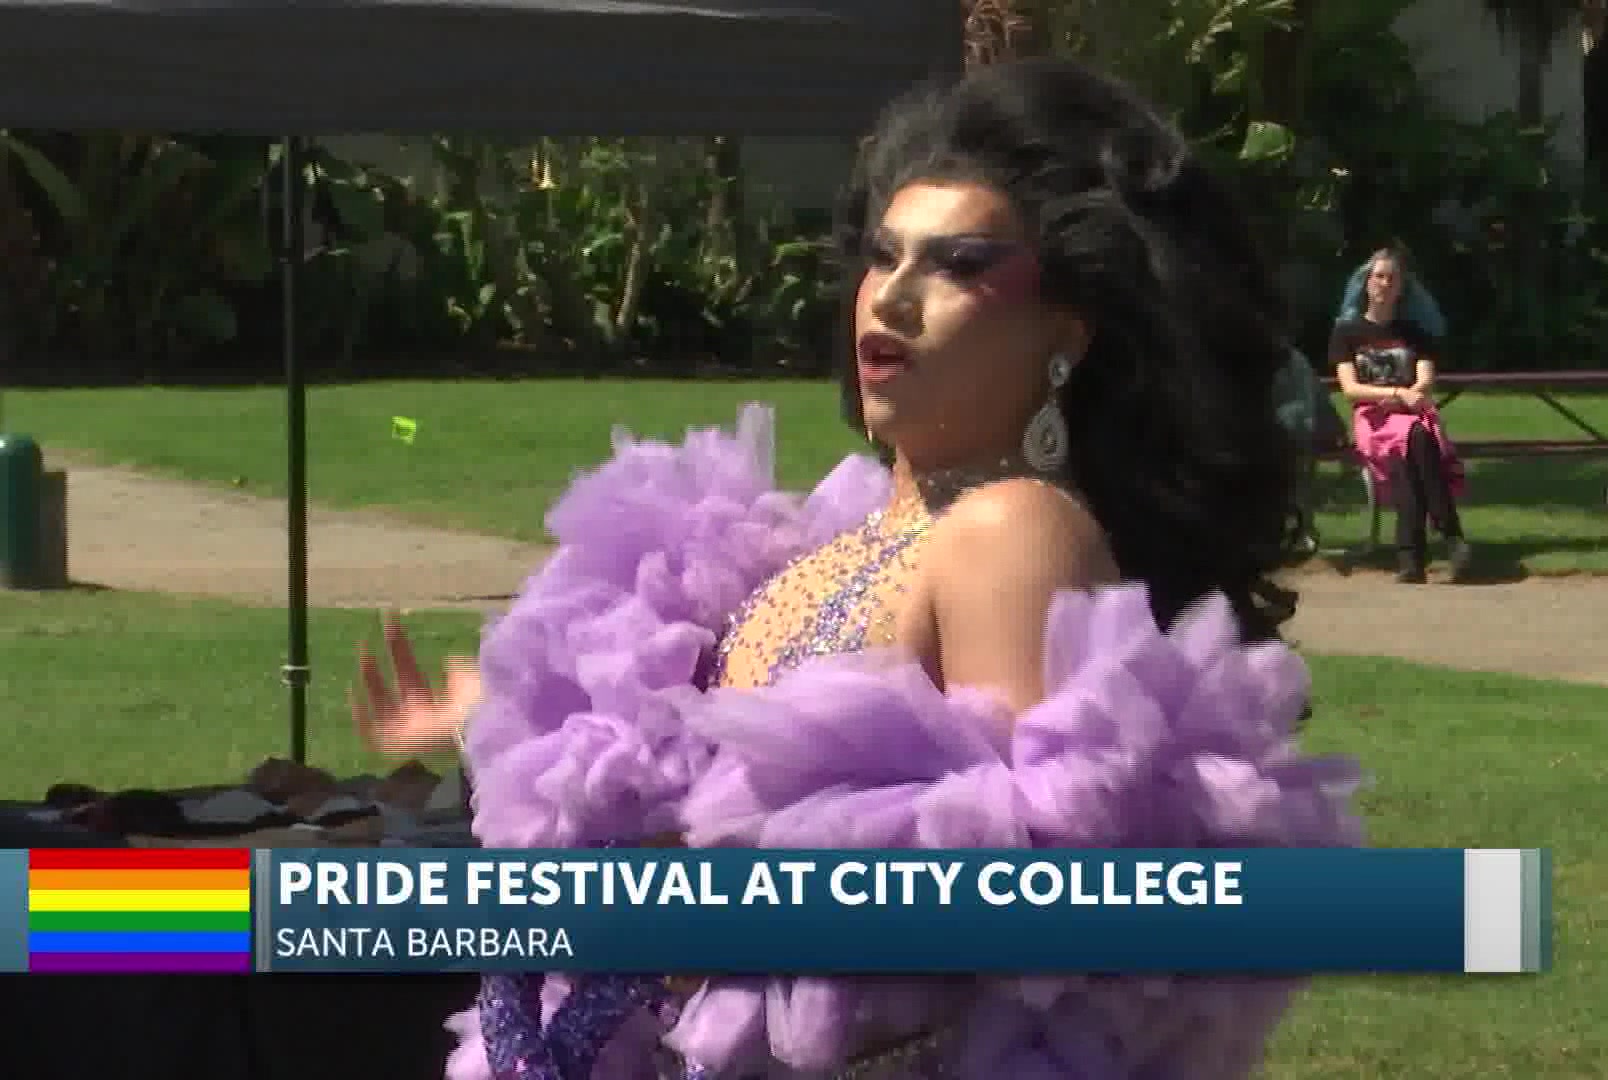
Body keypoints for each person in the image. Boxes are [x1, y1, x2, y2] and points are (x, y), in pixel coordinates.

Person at [353, 58, 1363, 1080]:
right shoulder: (817, 546)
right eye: (884, 258)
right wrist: (491, 716)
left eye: (962, 264)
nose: (897, 297)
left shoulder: (1010, 531)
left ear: (1069, 327)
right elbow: (697, 790)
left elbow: (1033, 925)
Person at [1328, 248, 1471, 584]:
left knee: (1414, 443)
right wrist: (1394, 394)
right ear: (1367, 282)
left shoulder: (1414, 332)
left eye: (1392, 278)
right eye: (1379, 276)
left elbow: (1425, 378)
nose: (1385, 283)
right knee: (1413, 445)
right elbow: (1350, 389)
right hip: (1373, 418)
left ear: (1401, 288)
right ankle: (1451, 537)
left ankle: (1411, 558)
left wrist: (1411, 396)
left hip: (1410, 412)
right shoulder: (1346, 332)